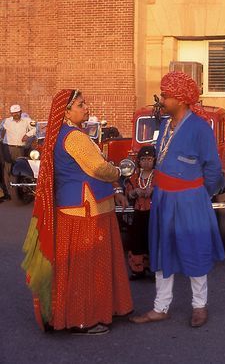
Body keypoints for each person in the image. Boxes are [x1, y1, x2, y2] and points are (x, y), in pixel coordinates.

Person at [21, 90, 133, 335]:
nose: (86, 107)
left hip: (79, 207)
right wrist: (119, 173)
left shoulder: (67, 134)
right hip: (85, 210)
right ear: (67, 112)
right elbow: (98, 168)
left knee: (77, 265)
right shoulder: (74, 137)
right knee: (86, 265)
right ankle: (83, 318)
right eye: (81, 104)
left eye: (85, 103)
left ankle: (80, 313)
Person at [130, 71, 225, 328]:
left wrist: (200, 194)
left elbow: (213, 168)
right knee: (162, 250)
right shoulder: (164, 126)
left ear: (181, 99)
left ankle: (199, 306)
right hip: (163, 199)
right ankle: (161, 307)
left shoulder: (200, 128)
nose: (162, 100)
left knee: (194, 250)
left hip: (190, 199)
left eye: (166, 95)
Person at [124, 145, 156, 280]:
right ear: (139, 161)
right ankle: (138, 270)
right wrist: (134, 192)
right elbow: (128, 193)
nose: (146, 162)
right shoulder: (135, 177)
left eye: (149, 159)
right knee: (137, 241)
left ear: (154, 160)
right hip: (138, 213)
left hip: (154, 214)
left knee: (152, 240)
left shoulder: (158, 177)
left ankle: (153, 269)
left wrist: (155, 190)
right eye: (143, 159)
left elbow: (166, 191)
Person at [0, 105, 35, 198]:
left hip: (21, 148)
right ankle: (8, 193)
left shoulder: (27, 120)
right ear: (11, 113)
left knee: (20, 169)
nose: (16, 114)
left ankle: (20, 192)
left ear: (21, 111)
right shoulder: (6, 121)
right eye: (14, 113)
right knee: (7, 169)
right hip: (8, 147)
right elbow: (1, 130)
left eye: (18, 112)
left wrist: (28, 134)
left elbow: (36, 128)